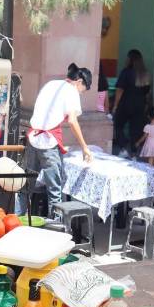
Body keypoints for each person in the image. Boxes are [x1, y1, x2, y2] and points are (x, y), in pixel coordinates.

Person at [25, 64, 93, 213]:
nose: (81, 94)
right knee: (55, 193)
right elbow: (72, 121)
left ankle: (16, 221)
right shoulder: (71, 91)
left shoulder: (51, 84)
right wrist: (84, 147)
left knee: (26, 188)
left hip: (32, 139)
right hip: (48, 144)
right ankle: (55, 226)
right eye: (83, 90)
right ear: (79, 82)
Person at [112, 49, 151, 158]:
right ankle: (134, 153)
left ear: (130, 59)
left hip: (126, 103)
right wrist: (146, 105)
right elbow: (147, 92)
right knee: (135, 130)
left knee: (118, 125)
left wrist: (115, 105)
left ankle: (123, 148)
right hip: (139, 105)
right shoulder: (145, 74)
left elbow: (120, 89)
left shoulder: (126, 72)